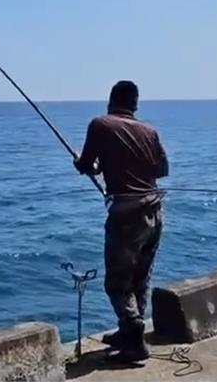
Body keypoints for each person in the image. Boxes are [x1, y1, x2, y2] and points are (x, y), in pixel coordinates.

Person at [74, 80, 169, 363]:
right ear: (135, 105)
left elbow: (86, 165)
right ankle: (129, 332)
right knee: (140, 277)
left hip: (126, 216)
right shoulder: (150, 131)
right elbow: (162, 169)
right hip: (155, 213)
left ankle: (134, 336)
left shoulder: (100, 125)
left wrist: (85, 164)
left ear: (111, 100)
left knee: (117, 282)